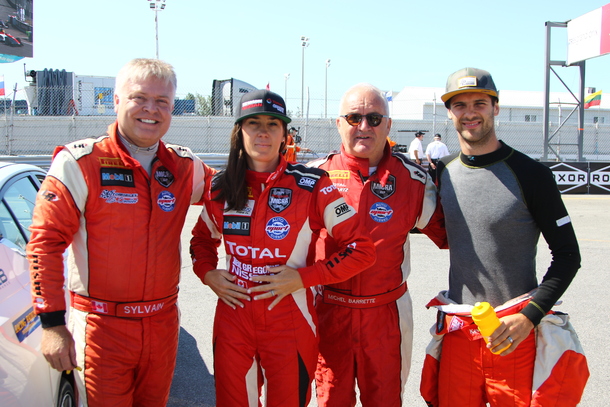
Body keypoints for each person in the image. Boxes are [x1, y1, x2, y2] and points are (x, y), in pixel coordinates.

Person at [27, 58, 215, 407]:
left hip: (161, 325)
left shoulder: (185, 166)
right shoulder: (80, 162)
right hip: (101, 327)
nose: (150, 109)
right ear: (116, 101)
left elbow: (236, 195)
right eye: (139, 97)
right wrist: (52, 325)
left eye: (162, 102)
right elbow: (44, 244)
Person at [189, 89, 375, 407]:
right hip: (233, 318)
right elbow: (201, 241)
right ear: (239, 132)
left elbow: (361, 249)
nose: (263, 132)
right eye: (254, 123)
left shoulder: (314, 184)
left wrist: (304, 278)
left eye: (273, 124)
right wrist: (208, 274)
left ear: (284, 134)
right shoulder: (221, 188)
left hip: (290, 318)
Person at [420, 67, 588, 407]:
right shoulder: (443, 174)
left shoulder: (531, 174)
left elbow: (569, 256)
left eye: (479, 103)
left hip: (515, 331)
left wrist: (529, 317)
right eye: (460, 105)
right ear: (450, 112)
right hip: (460, 332)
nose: (469, 113)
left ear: (495, 107)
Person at [309, 83, 447, 407]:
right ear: (338, 123)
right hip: (329, 311)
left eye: (374, 118)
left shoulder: (415, 182)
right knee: (331, 401)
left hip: (387, 316)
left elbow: (457, 238)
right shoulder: (312, 177)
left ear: (388, 125)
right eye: (354, 117)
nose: (364, 126)